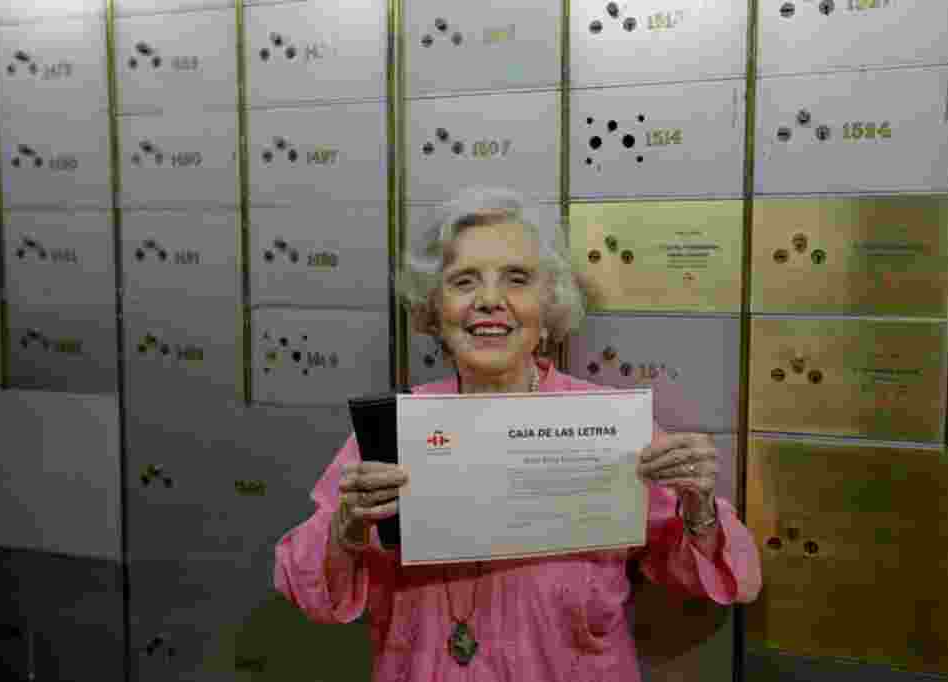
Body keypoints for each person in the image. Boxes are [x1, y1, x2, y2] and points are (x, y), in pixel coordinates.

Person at [274, 187, 762, 681]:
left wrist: (698, 509)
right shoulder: (389, 435)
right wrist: (347, 527)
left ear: (548, 307)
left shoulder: (611, 426)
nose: (490, 301)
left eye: (517, 279)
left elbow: (726, 580)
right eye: (464, 281)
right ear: (433, 309)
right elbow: (313, 592)